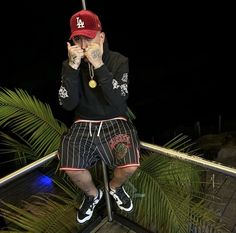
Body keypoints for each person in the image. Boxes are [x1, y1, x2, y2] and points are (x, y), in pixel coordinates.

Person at [57, 9, 140, 224]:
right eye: (78, 38)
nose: (84, 45)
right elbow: (67, 104)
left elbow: (119, 100)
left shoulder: (118, 60)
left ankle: (114, 187)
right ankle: (93, 195)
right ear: (72, 40)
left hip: (115, 119)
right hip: (83, 122)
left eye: (89, 37)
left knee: (130, 164)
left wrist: (100, 66)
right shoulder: (69, 65)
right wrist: (72, 69)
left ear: (101, 37)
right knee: (70, 166)